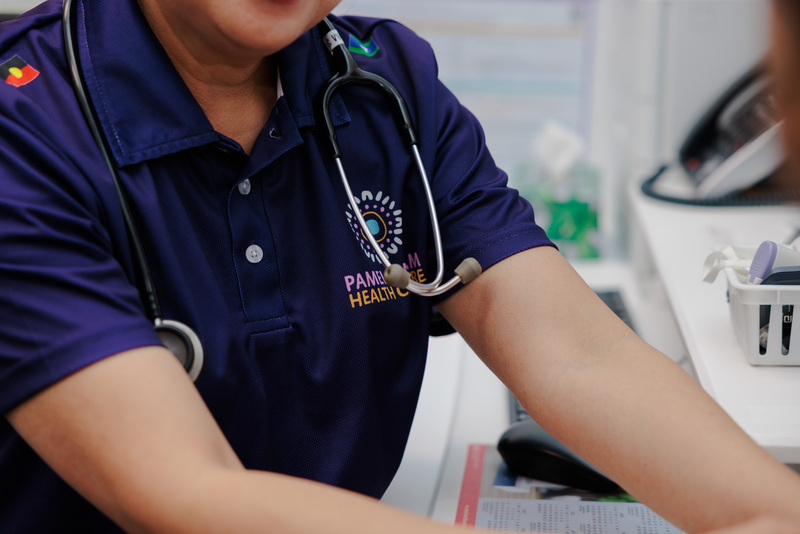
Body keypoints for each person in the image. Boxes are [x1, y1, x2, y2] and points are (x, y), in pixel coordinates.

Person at [1, 0, 799, 532]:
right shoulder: (25, 125)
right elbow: (182, 491)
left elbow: (577, 354)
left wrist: (771, 513)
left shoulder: (385, 85)